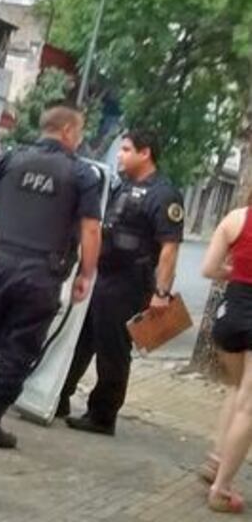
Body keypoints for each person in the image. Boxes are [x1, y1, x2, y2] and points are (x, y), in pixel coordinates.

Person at [0, 104, 102, 449]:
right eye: (80, 132)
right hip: (41, 276)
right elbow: (91, 229)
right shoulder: (81, 174)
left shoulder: (8, 160)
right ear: (67, 132)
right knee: (18, 349)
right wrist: (86, 275)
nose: (80, 138)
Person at [60, 131, 183, 436]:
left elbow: (169, 248)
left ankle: (103, 415)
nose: (119, 154)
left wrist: (161, 293)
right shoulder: (124, 185)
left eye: (126, 149)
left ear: (146, 153)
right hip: (106, 275)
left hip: (130, 282)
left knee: (112, 348)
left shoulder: (163, 194)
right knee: (82, 339)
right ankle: (59, 395)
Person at [198, 197, 252, 513]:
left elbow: (208, 268)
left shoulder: (236, 219)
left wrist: (233, 269)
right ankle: (221, 489)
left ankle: (217, 458)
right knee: (249, 406)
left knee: (235, 389)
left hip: (230, 315)